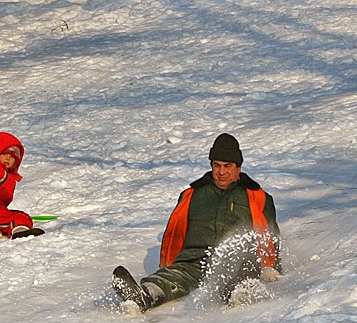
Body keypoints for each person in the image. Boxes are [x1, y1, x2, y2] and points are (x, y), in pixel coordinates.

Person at [112, 133, 281, 311]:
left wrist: (269, 266)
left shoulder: (256, 197)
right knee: (173, 277)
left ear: (238, 168)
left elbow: (269, 236)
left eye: (227, 166)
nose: (221, 172)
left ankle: (239, 294)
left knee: (243, 270)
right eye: (217, 166)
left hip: (234, 261)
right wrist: (170, 263)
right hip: (194, 260)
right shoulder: (193, 195)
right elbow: (176, 231)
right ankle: (145, 296)